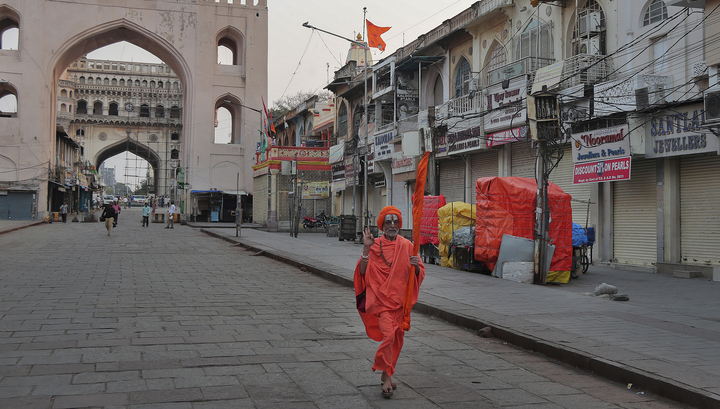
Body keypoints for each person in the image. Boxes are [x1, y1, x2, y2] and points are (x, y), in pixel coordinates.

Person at [354, 206, 425, 398]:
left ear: (399, 225)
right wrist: (366, 248)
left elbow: (419, 273)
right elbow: (361, 272)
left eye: (395, 222)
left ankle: (387, 373)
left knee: (397, 340)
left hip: (400, 303)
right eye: (388, 222)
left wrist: (416, 266)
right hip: (382, 303)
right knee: (388, 336)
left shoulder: (407, 245)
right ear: (382, 225)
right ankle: (386, 379)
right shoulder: (374, 245)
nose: (392, 225)